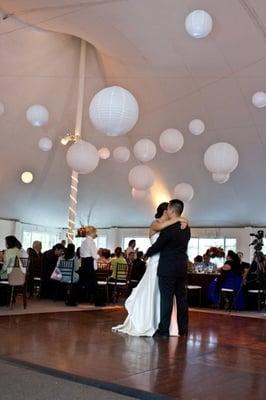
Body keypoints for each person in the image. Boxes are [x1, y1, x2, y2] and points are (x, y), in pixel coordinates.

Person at [112, 201, 188, 337]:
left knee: (165, 297)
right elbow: (162, 234)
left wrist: (181, 220)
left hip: (165, 264)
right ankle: (155, 323)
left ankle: (166, 327)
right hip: (159, 264)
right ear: (166, 211)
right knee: (160, 295)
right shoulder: (156, 224)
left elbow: (164, 242)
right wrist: (180, 219)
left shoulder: (173, 226)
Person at [145, 199, 191, 338]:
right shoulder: (186, 227)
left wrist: (147, 253)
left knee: (167, 299)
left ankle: (164, 330)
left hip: (167, 267)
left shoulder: (168, 228)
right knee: (182, 299)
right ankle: (183, 329)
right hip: (181, 266)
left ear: (171, 210)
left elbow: (159, 245)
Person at [78, 225, 99, 303]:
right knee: (94, 283)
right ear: (92, 233)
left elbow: (81, 253)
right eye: (95, 232)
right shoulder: (91, 242)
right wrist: (99, 255)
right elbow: (94, 256)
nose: (95, 234)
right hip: (89, 263)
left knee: (80, 283)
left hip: (84, 263)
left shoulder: (83, 241)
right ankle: (98, 302)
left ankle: (73, 300)